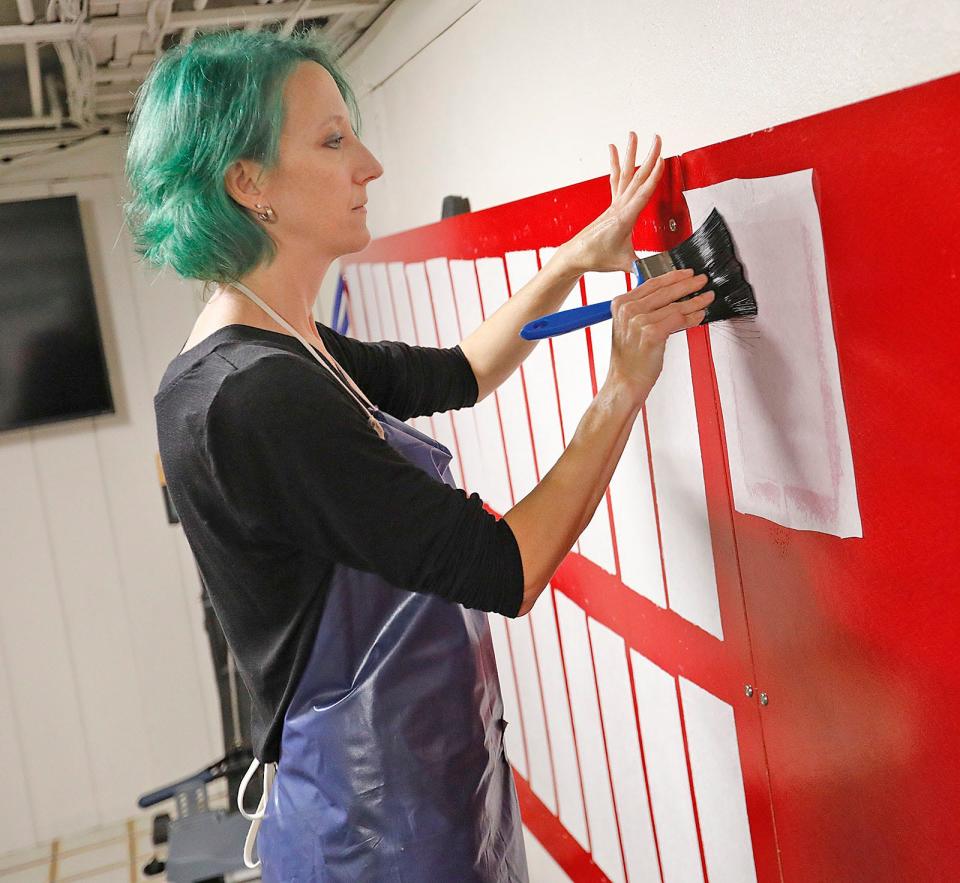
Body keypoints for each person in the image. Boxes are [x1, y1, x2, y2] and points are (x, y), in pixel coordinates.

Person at [125, 27, 713, 883]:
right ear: (247, 183)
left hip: (415, 789)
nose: (370, 164)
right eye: (332, 141)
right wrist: (624, 381)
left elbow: (464, 372)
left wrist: (573, 260)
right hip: (377, 828)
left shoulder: (270, 346)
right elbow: (507, 565)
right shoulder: (258, 397)